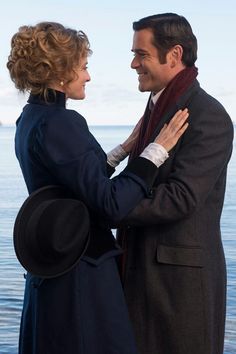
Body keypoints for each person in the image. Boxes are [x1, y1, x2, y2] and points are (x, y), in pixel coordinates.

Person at [7, 22, 189, 354]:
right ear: (60, 72)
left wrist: (121, 151)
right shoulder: (63, 122)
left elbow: (73, 183)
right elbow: (110, 204)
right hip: (81, 273)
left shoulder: (29, 119)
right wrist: (156, 151)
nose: (88, 76)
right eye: (84, 67)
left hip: (55, 267)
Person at [116, 13, 234, 354]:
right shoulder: (155, 109)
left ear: (175, 54)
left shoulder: (208, 114)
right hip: (137, 274)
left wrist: (108, 206)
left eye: (141, 54)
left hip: (178, 286)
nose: (133, 63)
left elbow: (180, 198)